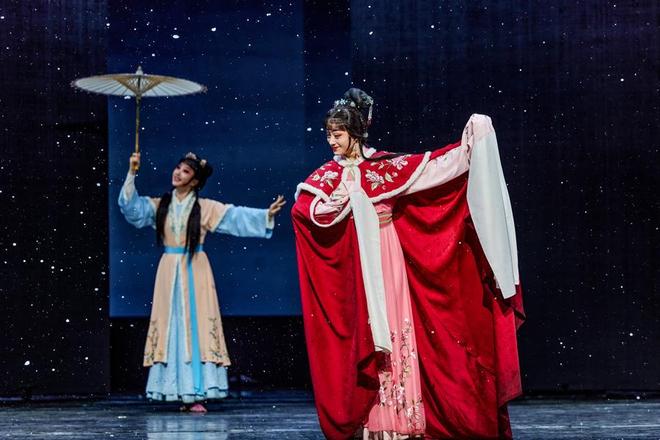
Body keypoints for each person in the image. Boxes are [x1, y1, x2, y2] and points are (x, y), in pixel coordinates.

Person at [292, 88, 524, 439]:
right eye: (328, 135)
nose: (331, 142)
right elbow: (308, 210)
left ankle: (403, 416)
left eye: (337, 134)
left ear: (355, 133)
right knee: (368, 330)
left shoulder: (383, 166)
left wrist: (470, 142)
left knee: (396, 327)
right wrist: (349, 203)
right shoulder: (329, 175)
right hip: (359, 263)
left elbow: (435, 169)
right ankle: (373, 418)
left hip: (387, 255)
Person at [118, 151, 286, 412]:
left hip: (195, 269)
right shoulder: (161, 205)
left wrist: (265, 215)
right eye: (178, 168)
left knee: (196, 326)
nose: (178, 173)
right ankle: (173, 390)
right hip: (168, 271)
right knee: (171, 326)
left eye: (185, 171)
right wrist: (132, 172)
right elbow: (132, 208)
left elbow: (233, 217)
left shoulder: (204, 208)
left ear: (195, 181)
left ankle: (197, 391)